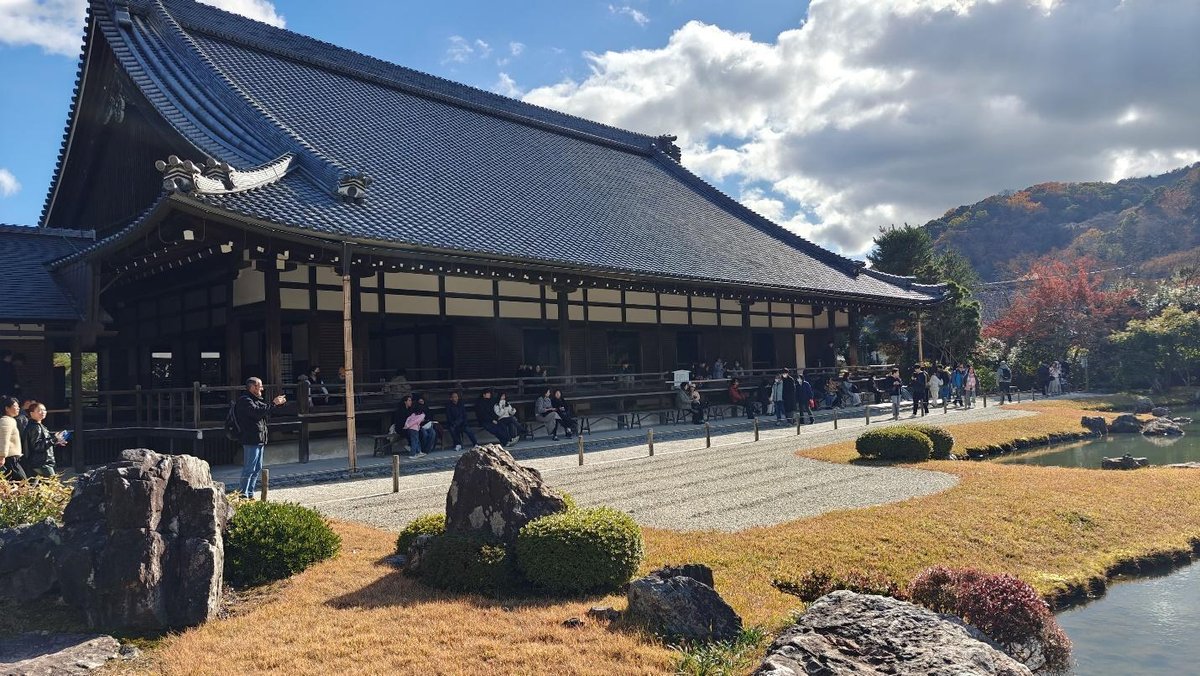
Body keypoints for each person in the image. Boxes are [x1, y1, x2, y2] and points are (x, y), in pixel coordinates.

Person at [233, 378, 287, 498]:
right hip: (250, 438)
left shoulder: (255, 400)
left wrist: (277, 404)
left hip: (259, 438)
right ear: (252, 387)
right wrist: (273, 404)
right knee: (249, 468)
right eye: (260, 386)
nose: (262, 388)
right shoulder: (245, 400)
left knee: (257, 468)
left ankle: (250, 493)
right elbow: (257, 412)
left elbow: (265, 408)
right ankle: (243, 494)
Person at [1, 396, 27, 481]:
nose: (18, 408)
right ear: (7, 408)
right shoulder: (6, 421)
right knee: (21, 482)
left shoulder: (10, 420)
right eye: (15, 406)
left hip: (12, 458)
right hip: (9, 458)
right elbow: (4, 439)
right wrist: (2, 456)